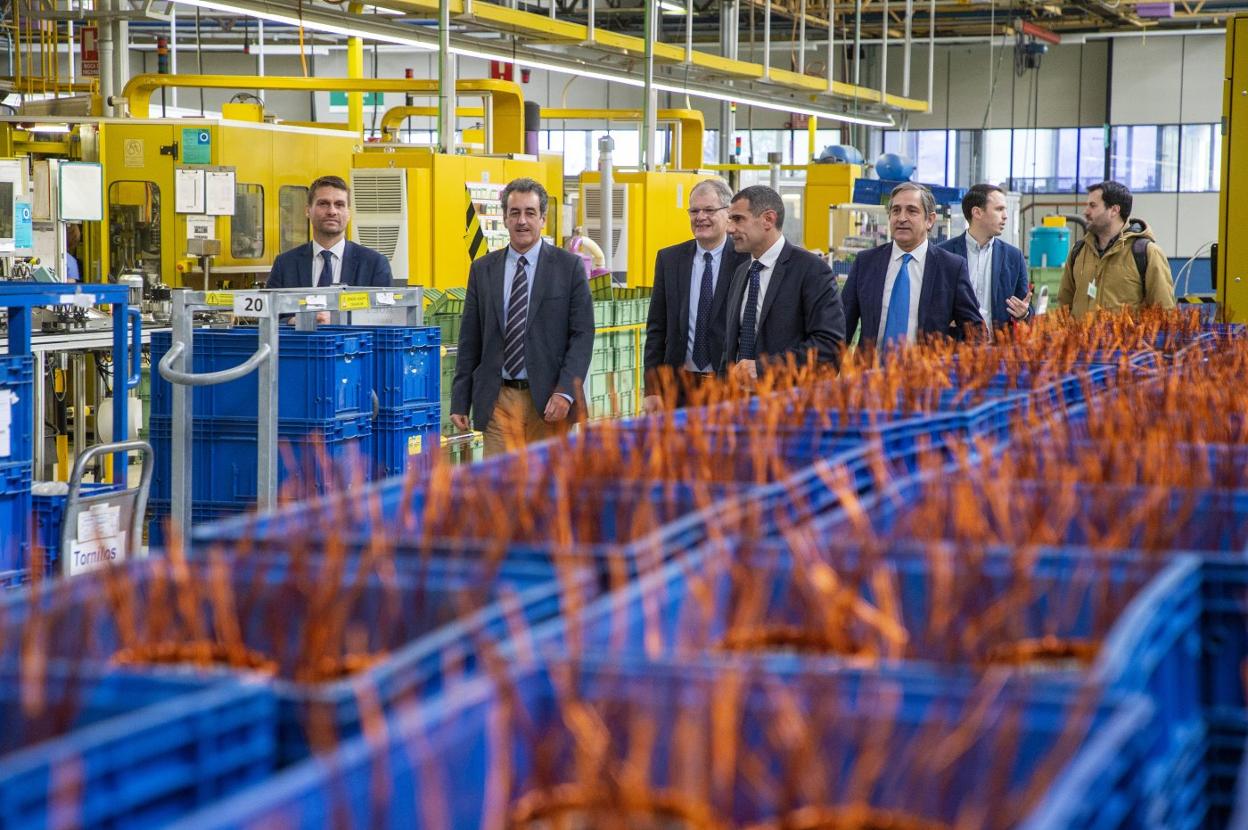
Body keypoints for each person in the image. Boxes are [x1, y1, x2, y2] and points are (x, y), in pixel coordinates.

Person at [450, 178, 594, 456]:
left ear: (543, 218)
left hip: (550, 401)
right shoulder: (483, 271)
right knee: (501, 489)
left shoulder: (569, 268)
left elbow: (582, 335)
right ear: (504, 218)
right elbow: (470, 338)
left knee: (546, 490)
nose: (522, 221)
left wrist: (565, 391)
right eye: (514, 212)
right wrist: (460, 399)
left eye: (530, 212)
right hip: (498, 399)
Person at [720, 185, 846, 382]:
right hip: (739, 403)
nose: (729, 228)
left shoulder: (811, 270)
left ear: (768, 219)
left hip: (787, 403)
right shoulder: (742, 272)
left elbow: (829, 349)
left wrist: (763, 368)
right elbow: (730, 347)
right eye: (730, 219)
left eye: (738, 219)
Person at [643, 178, 749, 411]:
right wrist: (651, 389)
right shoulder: (669, 260)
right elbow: (657, 328)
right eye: (694, 210)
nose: (700, 217)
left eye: (709, 210)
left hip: (729, 387)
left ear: (727, 213)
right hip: (678, 387)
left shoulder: (746, 260)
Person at [842, 182, 983, 350]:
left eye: (912, 211)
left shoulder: (951, 268)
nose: (901, 218)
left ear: (929, 220)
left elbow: (975, 333)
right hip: (870, 373)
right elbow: (842, 327)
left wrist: (946, 361)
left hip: (924, 373)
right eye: (896, 211)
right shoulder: (866, 263)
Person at [1057, 180, 1176, 319]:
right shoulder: (1078, 252)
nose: (1086, 212)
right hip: (1081, 341)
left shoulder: (1147, 253)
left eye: (1093, 206)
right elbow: (1064, 308)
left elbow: (1164, 313)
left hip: (1125, 341)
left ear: (1114, 210)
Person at [266, 175, 393, 289]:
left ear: (348, 213)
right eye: (323, 203)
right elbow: (270, 313)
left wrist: (337, 317)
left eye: (339, 204)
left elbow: (386, 314)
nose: (332, 211)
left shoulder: (374, 264)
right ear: (308, 210)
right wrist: (296, 317)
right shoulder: (285, 264)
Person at [938, 184, 1031, 329]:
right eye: (999, 209)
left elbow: (1027, 308)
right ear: (977, 212)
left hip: (998, 347)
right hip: (955, 347)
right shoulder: (943, 254)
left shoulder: (1014, 257)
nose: (1005, 216)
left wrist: (1024, 314)